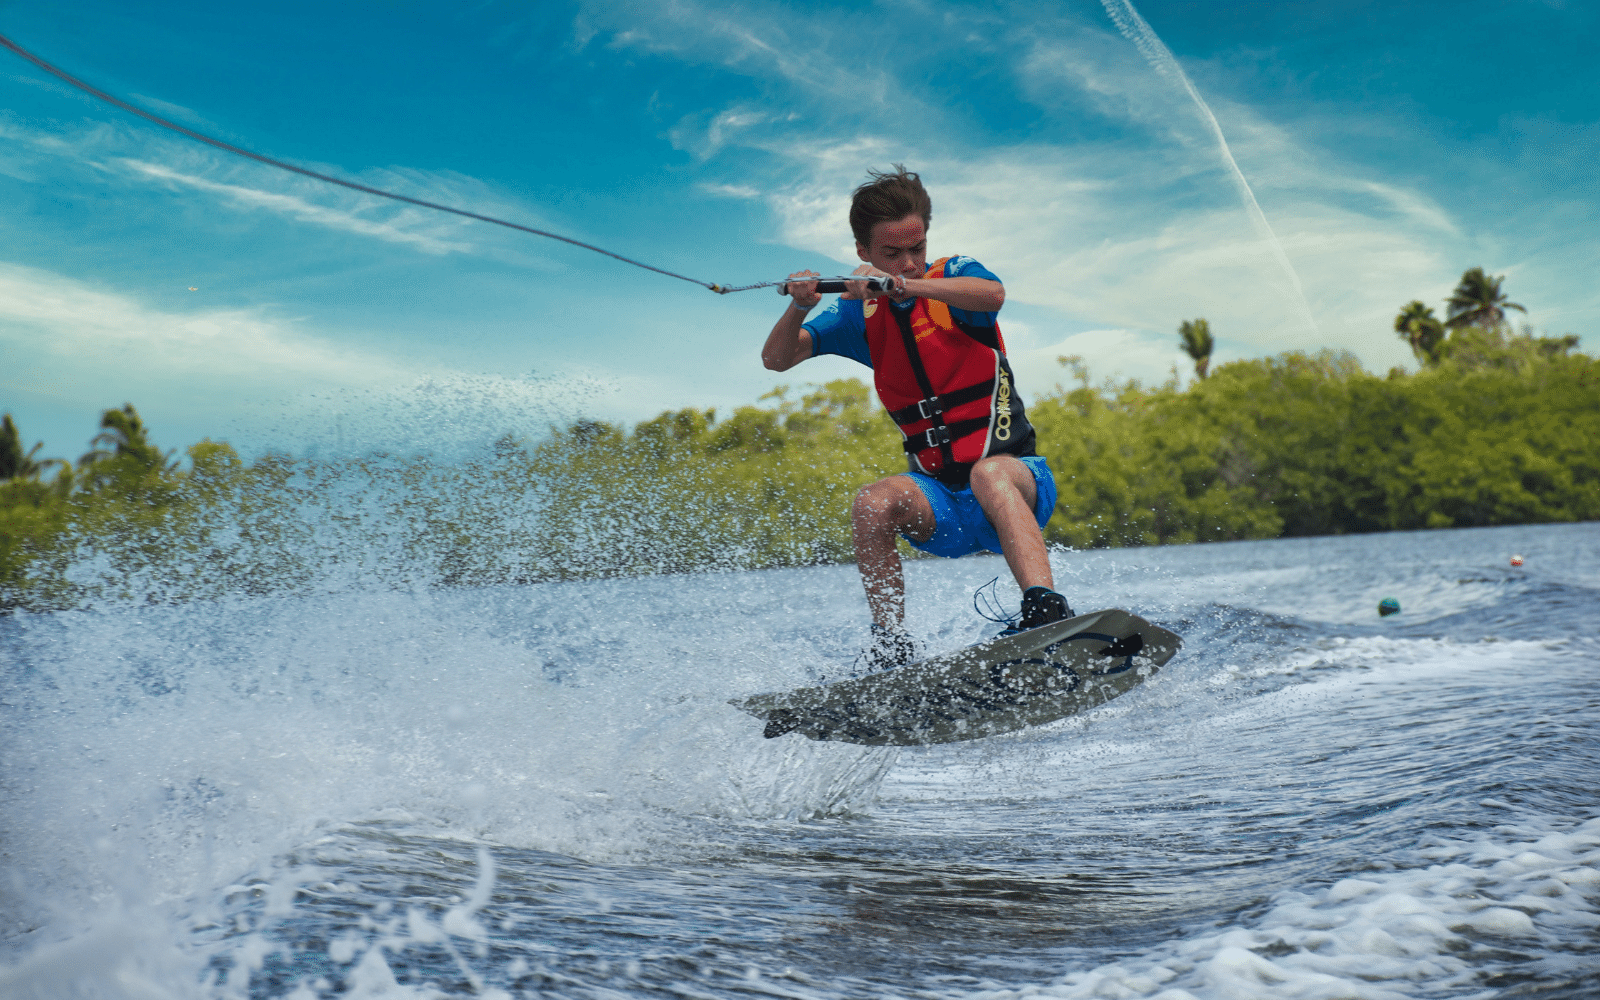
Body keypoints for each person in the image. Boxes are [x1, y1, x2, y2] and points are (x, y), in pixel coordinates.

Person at [760, 165, 1072, 670]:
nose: (908, 261)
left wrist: (907, 285)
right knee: (871, 503)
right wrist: (801, 305)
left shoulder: (950, 278)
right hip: (942, 508)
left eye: (917, 248)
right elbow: (777, 358)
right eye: (892, 254)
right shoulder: (855, 316)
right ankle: (891, 649)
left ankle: (1045, 612)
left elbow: (993, 296)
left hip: (1015, 486)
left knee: (988, 472)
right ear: (863, 252)